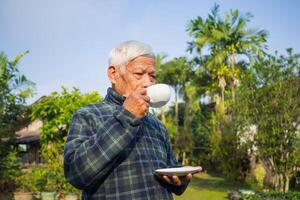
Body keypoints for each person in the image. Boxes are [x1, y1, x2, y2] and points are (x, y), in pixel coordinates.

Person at [64, 41, 200, 199]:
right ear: (114, 74)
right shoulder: (88, 115)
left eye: (152, 76)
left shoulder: (157, 126)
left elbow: (171, 172)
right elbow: (76, 174)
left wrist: (179, 180)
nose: (148, 82)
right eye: (139, 74)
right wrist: (127, 115)